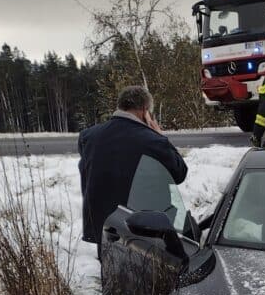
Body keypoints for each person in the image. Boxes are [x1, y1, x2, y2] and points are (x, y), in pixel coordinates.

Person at [78, 85, 188, 254]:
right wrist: (161, 136)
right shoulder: (152, 140)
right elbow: (180, 173)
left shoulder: (88, 136)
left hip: (103, 228)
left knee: (109, 268)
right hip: (140, 231)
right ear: (144, 110)